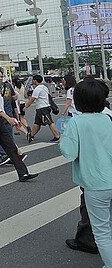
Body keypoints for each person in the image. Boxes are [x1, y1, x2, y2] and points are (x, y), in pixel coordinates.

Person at [60, 77, 112, 268]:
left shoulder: (77, 123)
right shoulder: (109, 119)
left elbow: (69, 153)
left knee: (102, 231)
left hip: (96, 185)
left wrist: (64, 137)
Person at [24, 74, 61, 143]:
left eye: (33, 80)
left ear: (35, 81)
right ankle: (31, 135)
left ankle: (57, 136)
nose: (32, 81)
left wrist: (26, 107)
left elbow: (32, 99)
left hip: (42, 108)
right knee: (37, 123)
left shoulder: (37, 89)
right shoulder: (44, 87)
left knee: (49, 122)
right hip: (43, 107)